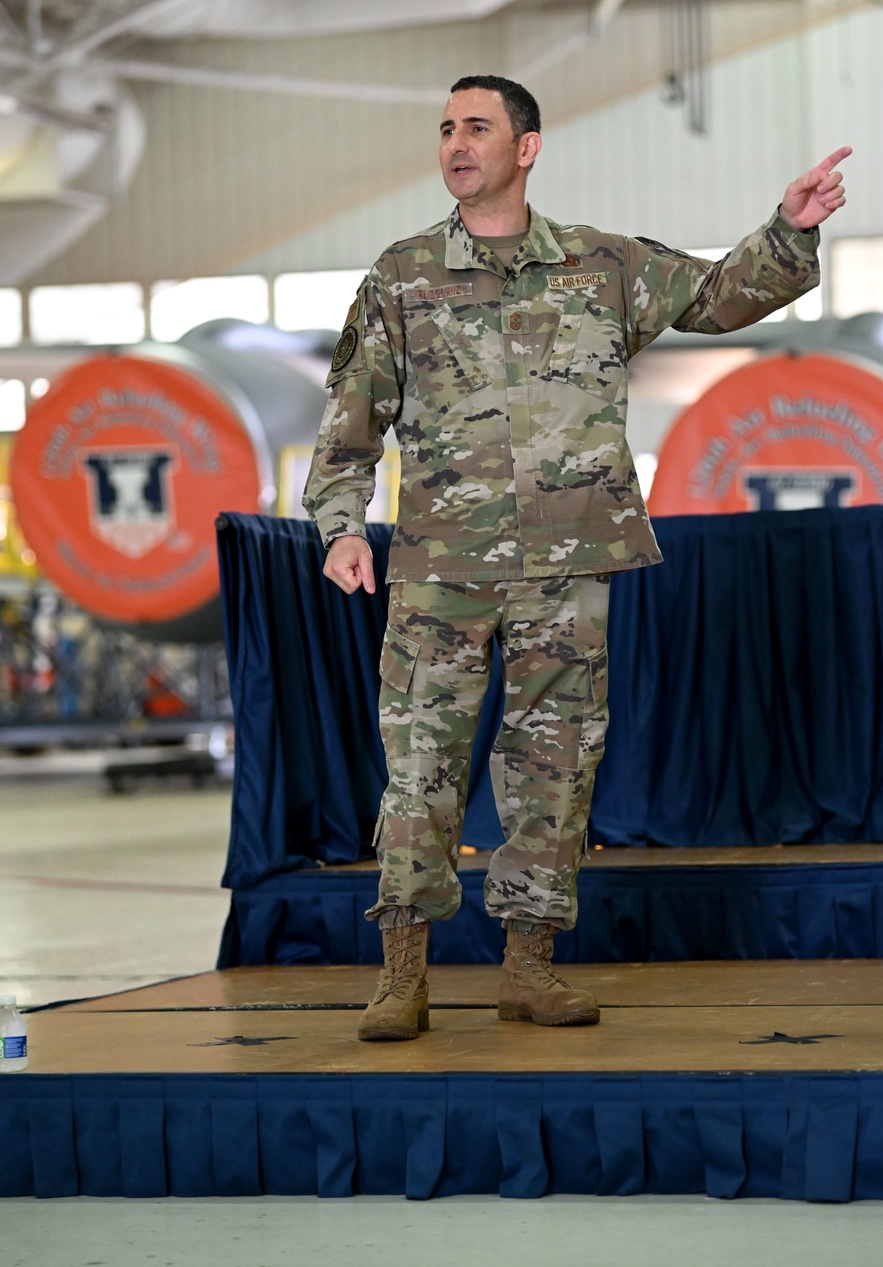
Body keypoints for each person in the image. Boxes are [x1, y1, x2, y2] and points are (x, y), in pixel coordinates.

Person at [304, 73, 850, 1042]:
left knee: (554, 768)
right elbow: (351, 417)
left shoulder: (602, 266)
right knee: (420, 770)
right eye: (444, 129)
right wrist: (343, 525)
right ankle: (402, 976)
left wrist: (789, 227)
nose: (456, 143)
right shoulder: (403, 273)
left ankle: (527, 967)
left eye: (476, 127)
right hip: (441, 570)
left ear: (527, 146)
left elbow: (720, 296)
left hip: (567, 567)